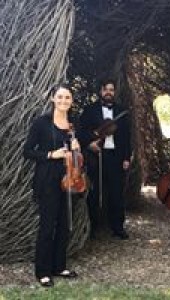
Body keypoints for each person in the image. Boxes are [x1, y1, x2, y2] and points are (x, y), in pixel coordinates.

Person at [23, 83, 79, 287]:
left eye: (68, 98)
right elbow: (27, 151)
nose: (64, 101)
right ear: (52, 99)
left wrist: (76, 148)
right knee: (47, 226)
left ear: (71, 101)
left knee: (64, 224)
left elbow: (76, 155)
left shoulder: (72, 125)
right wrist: (50, 154)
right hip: (47, 179)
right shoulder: (41, 123)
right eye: (60, 97)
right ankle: (43, 271)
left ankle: (59, 266)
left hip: (69, 178)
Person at [80, 79, 131, 240]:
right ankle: (93, 228)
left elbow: (127, 136)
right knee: (94, 193)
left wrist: (126, 157)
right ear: (100, 91)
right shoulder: (89, 110)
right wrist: (90, 144)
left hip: (116, 157)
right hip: (96, 156)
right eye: (105, 89)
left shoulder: (121, 111)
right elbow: (81, 132)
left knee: (116, 193)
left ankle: (117, 227)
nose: (108, 92)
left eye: (111, 89)